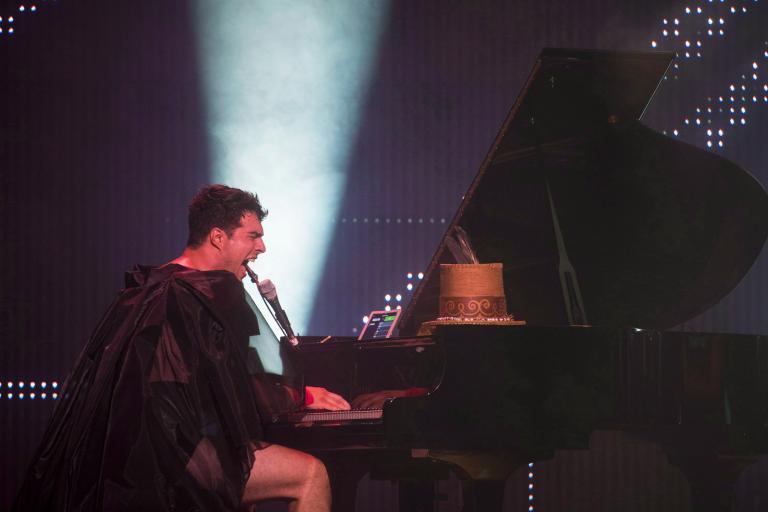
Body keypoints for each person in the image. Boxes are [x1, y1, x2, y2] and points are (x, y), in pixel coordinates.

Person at [14, 184, 350, 512]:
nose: (262, 247)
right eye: (253, 236)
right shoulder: (206, 293)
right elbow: (238, 391)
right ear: (218, 237)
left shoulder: (153, 286)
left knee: (244, 466)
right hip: (173, 464)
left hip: (132, 465)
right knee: (309, 475)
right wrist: (300, 395)